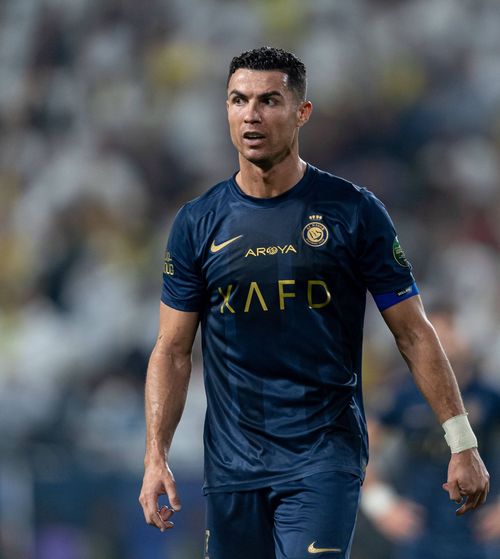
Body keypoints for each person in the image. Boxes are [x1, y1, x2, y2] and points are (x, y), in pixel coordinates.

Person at [138, 46, 489, 559]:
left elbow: (414, 332)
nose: (251, 114)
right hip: (233, 465)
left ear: (302, 112)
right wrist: (155, 456)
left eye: (269, 100)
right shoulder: (198, 223)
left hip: (324, 456)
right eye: (238, 100)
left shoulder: (353, 211)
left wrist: (461, 441)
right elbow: (171, 350)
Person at [359, 306, 500, 559]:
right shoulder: (403, 394)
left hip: (478, 533)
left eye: (449, 333)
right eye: (434, 335)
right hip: (419, 530)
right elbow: (360, 444)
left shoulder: (489, 394)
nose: (443, 344)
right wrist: (381, 505)